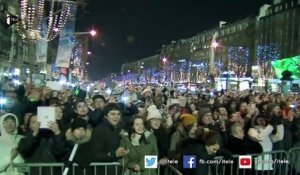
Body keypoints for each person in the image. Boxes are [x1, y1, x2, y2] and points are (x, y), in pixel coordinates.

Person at [90, 103, 127, 175]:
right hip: (103, 171)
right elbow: (95, 155)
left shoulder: (120, 129)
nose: (116, 117)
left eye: (118, 114)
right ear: (105, 116)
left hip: (117, 171)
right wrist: (114, 155)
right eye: (113, 114)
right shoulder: (99, 131)